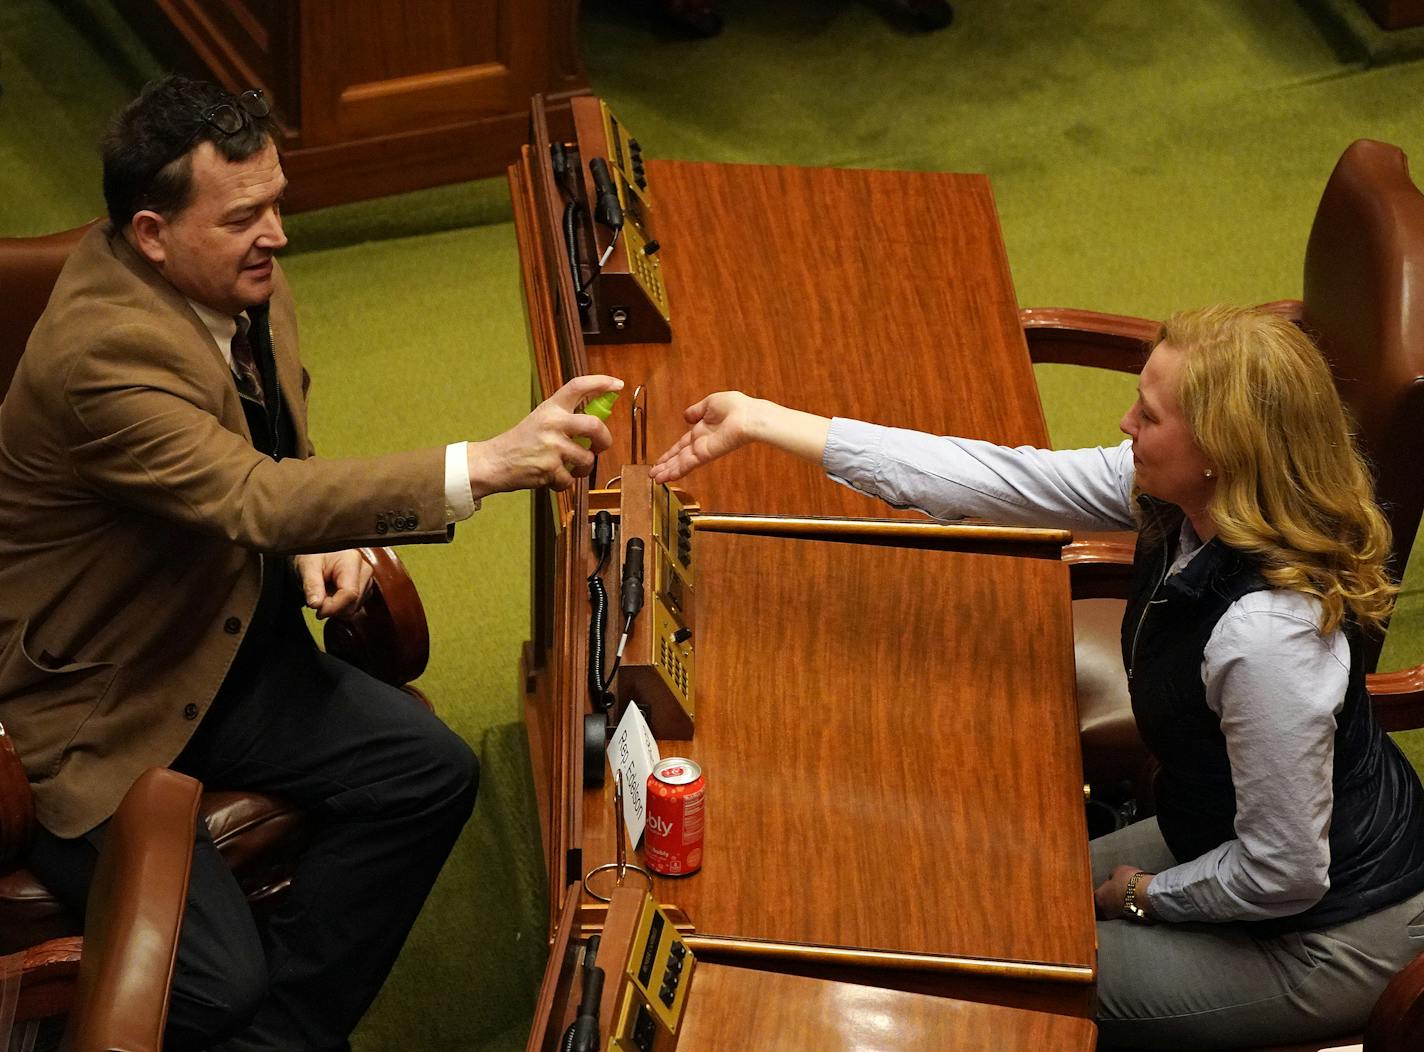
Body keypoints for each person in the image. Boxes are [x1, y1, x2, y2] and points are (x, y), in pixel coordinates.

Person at [0, 75, 619, 1051]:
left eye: (277, 202)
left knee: (425, 770)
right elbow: (248, 496)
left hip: (220, 642)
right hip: (105, 704)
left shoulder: (238, 277)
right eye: (245, 214)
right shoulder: (100, 355)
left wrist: (316, 527)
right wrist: (483, 464)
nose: (279, 236)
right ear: (153, 233)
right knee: (213, 982)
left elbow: (270, 465)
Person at [649, 304, 1424, 1049]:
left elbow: (1284, 872)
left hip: (1328, 932)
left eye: (1149, 417)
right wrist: (763, 419)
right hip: (1224, 833)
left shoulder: (1267, 639)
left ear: (1220, 450)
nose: (1126, 425)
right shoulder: (1179, 498)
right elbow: (992, 480)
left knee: (998, 982)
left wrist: (1141, 897)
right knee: (980, 910)